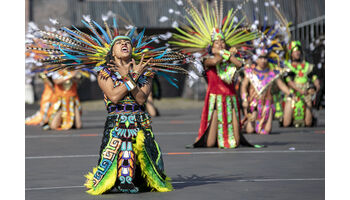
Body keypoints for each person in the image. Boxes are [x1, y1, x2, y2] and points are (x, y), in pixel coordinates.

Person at [30, 16, 189, 194]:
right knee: (114, 156)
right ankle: (119, 181)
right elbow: (114, 96)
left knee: (147, 160)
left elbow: (141, 99)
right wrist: (132, 78)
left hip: (139, 121)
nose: (124, 44)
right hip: (116, 121)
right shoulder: (104, 73)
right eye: (119, 42)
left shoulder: (146, 71)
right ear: (112, 51)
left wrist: (133, 76)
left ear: (132, 48)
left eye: (127, 42)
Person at [170, 1, 261, 148]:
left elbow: (239, 64)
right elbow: (215, 60)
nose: (220, 44)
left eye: (222, 42)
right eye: (216, 42)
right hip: (214, 100)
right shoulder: (207, 60)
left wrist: (230, 55)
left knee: (235, 142)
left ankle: (227, 136)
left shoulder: (229, 59)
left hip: (230, 98)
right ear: (210, 47)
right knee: (210, 142)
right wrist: (226, 52)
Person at [241, 51, 291, 134]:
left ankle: (257, 123)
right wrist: (244, 99)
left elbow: (281, 85)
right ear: (256, 59)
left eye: (265, 58)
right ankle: (246, 123)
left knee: (266, 131)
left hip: (267, 104)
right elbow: (244, 86)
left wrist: (290, 94)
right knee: (249, 130)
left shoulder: (272, 73)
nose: (263, 60)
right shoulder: (250, 72)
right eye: (260, 58)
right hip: (254, 104)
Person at [283, 41, 320, 127]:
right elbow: (289, 81)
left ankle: (310, 116)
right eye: (295, 50)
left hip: (306, 94)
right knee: (286, 123)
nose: (297, 52)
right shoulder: (288, 66)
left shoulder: (307, 66)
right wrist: (299, 90)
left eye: (299, 50)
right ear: (291, 53)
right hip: (293, 95)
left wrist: (316, 87)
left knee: (308, 123)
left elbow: (314, 78)